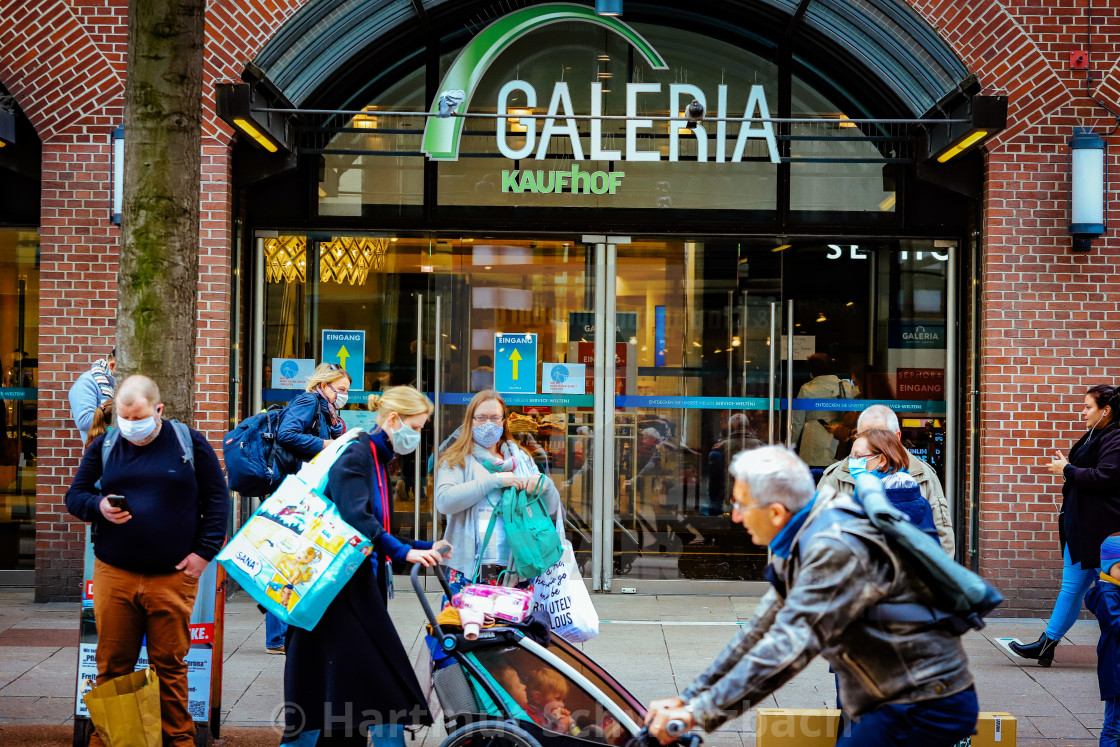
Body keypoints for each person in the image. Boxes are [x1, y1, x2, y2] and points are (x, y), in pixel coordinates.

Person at [644, 445, 977, 747]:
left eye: (741, 505)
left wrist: (696, 713)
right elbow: (759, 632)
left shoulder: (832, 547)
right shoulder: (807, 531)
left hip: (924, 703)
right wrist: (689, 699)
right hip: (893, 697)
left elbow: (786, 650)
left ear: (775, 512)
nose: (735, 516)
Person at [64, 375, 229, 747]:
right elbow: (75, 495)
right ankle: (116, 740)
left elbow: (218, 500)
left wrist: (203, 555)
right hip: (115, 573)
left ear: (159, 409)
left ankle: (178, 741)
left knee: (170, 666)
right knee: (112, 665)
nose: (130, 426)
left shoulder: (189, 443)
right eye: (124, 418)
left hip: (171, 576)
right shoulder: (106, 444)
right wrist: (99, 506)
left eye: (138, 418)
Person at [283, 385, 450, 746]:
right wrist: (403, 553)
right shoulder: (357, 454)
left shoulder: (375, 455)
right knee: (375, 684)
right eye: (417, 427)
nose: (418, 436)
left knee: (345, 690)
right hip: (341, 597)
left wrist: (422, 547)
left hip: (354, 591)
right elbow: (357, 517)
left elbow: (378, 526)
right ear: (393, 419)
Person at [1011, 384, 1120, 667]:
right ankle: (1046, 645)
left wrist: (1068, 470)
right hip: (1080, 529)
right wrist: (1069, 467)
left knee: (1110, 591)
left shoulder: (1116, 437)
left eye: (1087, 407)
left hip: (1101, 532)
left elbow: (1105, 477)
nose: (1082, 411)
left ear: (1105, 410)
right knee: (1071, 588)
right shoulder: (1097, 434)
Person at [435, 389, 560, 592]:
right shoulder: (456, 459)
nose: (488, 424)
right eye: (481, 417)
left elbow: (551, 507)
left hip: (519, 566)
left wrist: (545, 485)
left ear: (504, 421)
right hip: (470, 568)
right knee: (469, 623)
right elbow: (444, 501)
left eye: (495, 418)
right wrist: (494, 481)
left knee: (512, 624)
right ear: (471, 421)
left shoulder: (522, 459)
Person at [817, 404, 954, 556]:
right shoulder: (835, 476)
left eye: (878, 436)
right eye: (863, 435)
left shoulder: (923, 475)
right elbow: (817, 536)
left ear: (896, 437)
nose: (868, 442)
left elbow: (943, 539)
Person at [850, 428, 939, 544]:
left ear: (882, 460)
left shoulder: (868, 506)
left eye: (858, 457)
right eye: (851, 457)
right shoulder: (922, 503)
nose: (851, 463)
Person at [790, 353, 859, 468]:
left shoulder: (807, 389)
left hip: (813, 440)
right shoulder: (845, 386)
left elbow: (797, 421)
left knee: (815, 477)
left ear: (812, 370)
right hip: (839, 437)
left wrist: (791, 443)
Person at [276, 362, 350, 463]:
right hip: (299, 472)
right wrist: (324, 444)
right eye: (341, 389)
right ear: (324, 386)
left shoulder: (328, 411)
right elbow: (286, 435)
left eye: (346, 391)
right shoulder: (309, 401)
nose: (345, 394)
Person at [1086, 532, 1120, 747]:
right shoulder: (1107, 595)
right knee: (1114, 727)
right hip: (1116, 670)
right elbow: (1117, 624)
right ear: (1108, 567)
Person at [707, 413, 764, 515]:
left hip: (727, 497)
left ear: (730, 427)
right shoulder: (760, 445)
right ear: (748, 426)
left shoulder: (720, 447)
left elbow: (714, 482)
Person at [68, 349, 116, 446]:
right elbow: (84, 421)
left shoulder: (122, 382)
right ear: (112, 365)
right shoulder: (86, 383)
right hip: (102, 452)